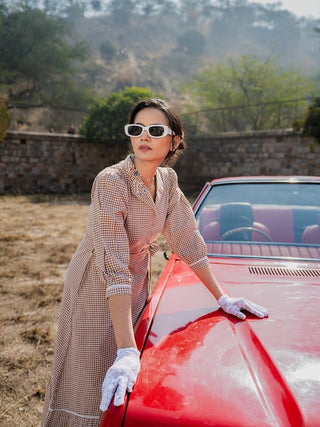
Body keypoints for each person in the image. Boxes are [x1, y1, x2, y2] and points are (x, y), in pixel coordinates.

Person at [41, 98, 268, 426]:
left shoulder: (169, 182)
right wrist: (125, 351)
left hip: (135, 280)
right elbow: (114, 264)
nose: (144, 137)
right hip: (95, 282)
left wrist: (222, 297)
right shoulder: (111, 181)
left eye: (155, 130)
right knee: (90, 374)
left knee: (126, 376)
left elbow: (188, 241)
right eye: (136, 129)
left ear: (174, 140)